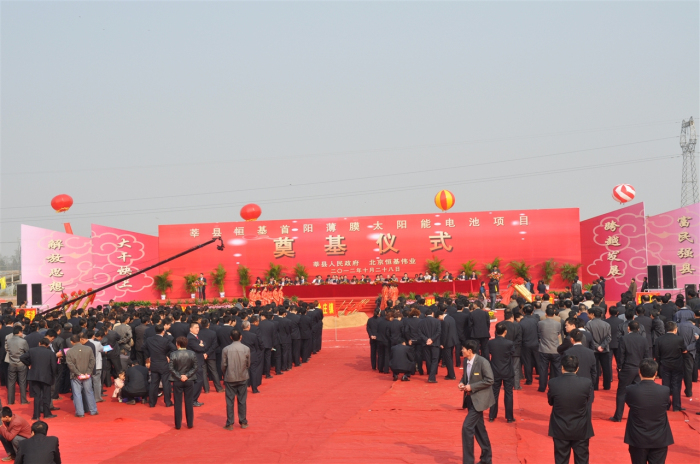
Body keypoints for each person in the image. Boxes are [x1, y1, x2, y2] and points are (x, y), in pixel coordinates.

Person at [624, 359, 674, 464]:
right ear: (656, 373)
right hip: (659, 438)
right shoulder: (664, 390)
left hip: (637, 438)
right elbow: (666, 406)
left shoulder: (630, 390)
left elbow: (629, 403)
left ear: (639, 372)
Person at [547, 355, 594, 464]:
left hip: (560, 426)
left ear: (562, 367)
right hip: (581, 427)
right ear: (577, 368)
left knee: (561, 460)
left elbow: (550, 402)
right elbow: (587, 401)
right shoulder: (586, 383)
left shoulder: (553, 383)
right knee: (582, 460)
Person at [458, 340, 495, 464]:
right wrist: (462, 383)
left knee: (467, 427)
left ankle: (468, 461)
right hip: (470, 399)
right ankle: (486, 459)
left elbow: (490, 380)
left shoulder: (483, 362)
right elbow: (466, 377)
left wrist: (472, 387)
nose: (461, 351)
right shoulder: (465, 361)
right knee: (480, 429)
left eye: (463, 349)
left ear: (469, 350)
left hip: (480, 400)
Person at [611, 321, 648, 422]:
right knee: (639, 392)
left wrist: (619, 366)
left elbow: (621, 354)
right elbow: (646, 355)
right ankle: (641, 414)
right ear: (639, 329)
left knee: (622, 392)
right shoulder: (644, 339)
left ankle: (618, 416)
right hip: (639, 369)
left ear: (628, 328)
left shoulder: (624, 338)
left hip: (627, 368)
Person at [19, 338, 57, 420]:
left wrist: (29, 364)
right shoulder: (50, 353)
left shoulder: (32, 350)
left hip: (34, 376)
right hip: (47, 376)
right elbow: (54, 366)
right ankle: (47, 414)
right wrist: (54, 375)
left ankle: (36, 415)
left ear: (39, 343)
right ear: (48, 345)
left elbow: (22, 357)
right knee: (46, 396)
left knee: (37, 396)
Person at [221, 330, 250, 430]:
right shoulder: (246, 348)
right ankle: (243, 421)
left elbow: (223, 365)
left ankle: (230, 423)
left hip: (230, 377)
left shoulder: (226, 349)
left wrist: (226, 373)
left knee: (230, 401)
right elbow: (248, 363)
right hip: (243, 376)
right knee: (242, 400)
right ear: (241, 337)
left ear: (231, 337)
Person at [654, 321, 686, 412]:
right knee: (676, 385)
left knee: (665, 385)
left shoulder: (659, 339)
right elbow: (684, 350)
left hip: (664, 364)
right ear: (675, 329)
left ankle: (666, 405)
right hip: (677, 365)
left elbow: (657, 354)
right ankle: (676, 406)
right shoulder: (679, 339)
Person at [487, 322, 515, 423]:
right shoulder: (509, 343)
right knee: (509, 394)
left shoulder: (490, 343)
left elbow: (488, 353)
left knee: (494, 393)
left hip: (495, 370)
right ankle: (509, 417)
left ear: (496, 331)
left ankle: (492, 415)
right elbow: (513, 353)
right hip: (507, 370)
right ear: (505, 332)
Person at [144, 324, 177, 407]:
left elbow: (143, 348)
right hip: (163, 364)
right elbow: (174, 348)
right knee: (166, 383)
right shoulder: (165, 340)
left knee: (153, 384)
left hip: (154, 363)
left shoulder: (149, 340)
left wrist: (149, 355)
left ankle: (152, 403)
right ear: (163, 331)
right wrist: (167, 355)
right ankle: (168, 402)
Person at [169, 336, 198, 430]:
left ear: (177, 344)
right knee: (189, 402)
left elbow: (171, 368)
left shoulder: (173, 354)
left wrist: (179, 376)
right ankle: (190, 423)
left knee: (177, 403)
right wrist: (187, 376)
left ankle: (178, 424)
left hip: (177, 381)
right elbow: (195, 367)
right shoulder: (192, 353)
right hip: (189, 380)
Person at [65, 334, 97, 417]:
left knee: (77, 394)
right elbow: (92, 361)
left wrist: (78, 373)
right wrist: (88, 372)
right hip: (87, 374)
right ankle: (93, 410)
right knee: (89, 392)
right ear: (80, 340)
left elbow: (70, 365)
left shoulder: (69, 351)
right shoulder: (88, 349)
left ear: (71, 342)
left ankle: (80, 412)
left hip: (75, 376)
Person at [585, 307, 612, 390]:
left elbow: (589, 337)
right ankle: (607, 386)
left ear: (593, 314)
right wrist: (602, 346)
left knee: (595, 369)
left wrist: (597, 346)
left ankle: (595, 386)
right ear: (601, 315)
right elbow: (609, 337)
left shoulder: (589, 324)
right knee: (606, 368)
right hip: (605, 350)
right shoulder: (607, 324)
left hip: (594, 350)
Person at [537, 307, 562, 392]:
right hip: (555, 349)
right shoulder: (558, 324)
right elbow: (558, 334)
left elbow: (539, 333)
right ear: (554, 314)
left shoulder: (540, 323)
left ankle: (542, 387)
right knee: (557, 369)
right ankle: (559, 386)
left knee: (543, 369)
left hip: (544, 349)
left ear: (546, 314)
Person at [5, 326, 28, 405]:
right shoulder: (23, 341)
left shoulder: (8, 341)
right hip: (21, 363)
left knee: (11, 383)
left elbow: (7, 350)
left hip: (11, 363)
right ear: (19, 332)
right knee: (22, 382)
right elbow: (27, 351)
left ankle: (10, 401)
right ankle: (23, 400)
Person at [186, 322, 206, 407]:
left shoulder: (196, 337)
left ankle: (194, 399)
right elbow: (199, 348)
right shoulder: (190, 338)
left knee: (197, 380)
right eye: (196, 327)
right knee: (199, 381)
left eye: (198, 327)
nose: (198, 329)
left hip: (197, 361)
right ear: (191, 329)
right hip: (195, 362)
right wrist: (201, 345)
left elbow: (203, 346)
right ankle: (193, 399)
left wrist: (201, 345)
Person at [419, 309, 441, 383]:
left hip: (425, 343)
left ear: (425, 315)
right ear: (432, 313)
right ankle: (431, 376)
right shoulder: (437, 321)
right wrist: (432, 339)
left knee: (428, 359)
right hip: (435, 343)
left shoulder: (421, 321)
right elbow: (438, 332)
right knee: (435, 360)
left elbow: (419, 332)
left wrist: (426, 339)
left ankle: (430, 373)